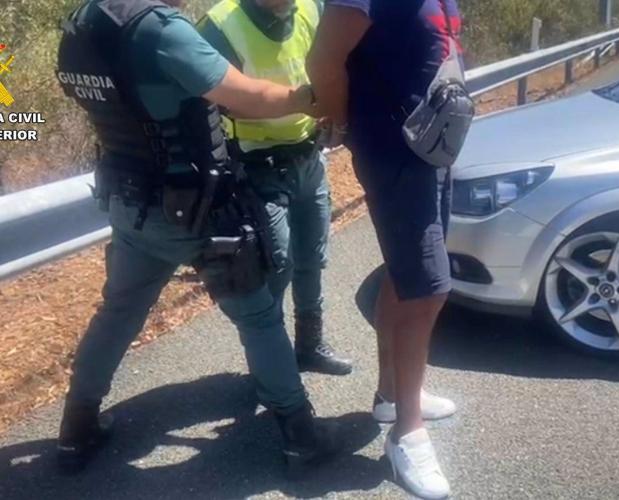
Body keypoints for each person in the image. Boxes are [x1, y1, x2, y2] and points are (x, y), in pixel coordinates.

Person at [55, 0, 340, 476]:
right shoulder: (160, 31)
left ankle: (76, 427)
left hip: (130, 203)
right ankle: (300, 434)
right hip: (196, 208)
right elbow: (246, 95)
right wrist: (314, 98)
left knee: (118, 313)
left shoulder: (81, 24)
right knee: (259, 316)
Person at [307, 1, 463, 498]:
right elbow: (322, 61)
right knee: (427, 289)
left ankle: (392, 395)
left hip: (434, 143)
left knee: (406, 274)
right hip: (394, 151)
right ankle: (406, 434)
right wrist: (342, 125)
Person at [197, 0, 353, 377]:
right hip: (256, 165)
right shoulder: (221, 24)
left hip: (308, 157)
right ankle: (272, 360)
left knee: (312, 256)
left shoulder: (312, 8)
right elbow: (221, 100)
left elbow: (331, 66)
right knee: (275, 266)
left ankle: (310, 345)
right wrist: (299, 101)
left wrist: (334, 113)